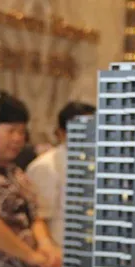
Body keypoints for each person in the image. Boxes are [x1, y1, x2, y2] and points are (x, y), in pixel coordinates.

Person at [0, 92, 62, 267]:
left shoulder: (18, 174)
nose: (18, 139)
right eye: (11, 131)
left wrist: (46, 246)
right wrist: (31, 256)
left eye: (22, 132)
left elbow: (35, 216)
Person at [26, 101, 96, 249]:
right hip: (60, 250)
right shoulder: (46, 166)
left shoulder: (96, 163)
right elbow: (38, 218)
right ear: (62, 133)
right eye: (83, 129)